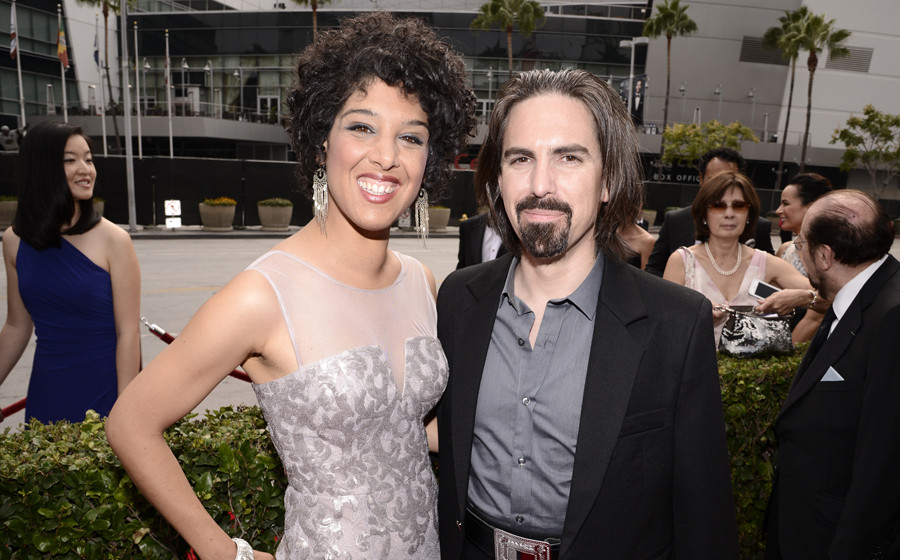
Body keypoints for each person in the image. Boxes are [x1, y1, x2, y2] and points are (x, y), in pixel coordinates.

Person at [106, 12, 476, 560]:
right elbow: (131, 423)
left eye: (412, 137)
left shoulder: (420, 281)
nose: (387, 156)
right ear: (320, 139)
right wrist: (221, 551)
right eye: (361, 126)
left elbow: (400, 427)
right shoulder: (261, 295)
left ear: (431, 159)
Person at [436, 68, 739, 560]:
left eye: (568, 157)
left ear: (607, 181)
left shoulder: (675, 324)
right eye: (520, 159)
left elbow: (705, 517)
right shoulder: (458, 301)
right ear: (496, 178)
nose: (540, 185)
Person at [766, 190, 900, 559]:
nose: (800, 251)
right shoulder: (857, 298)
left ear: (824, 255)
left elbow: (883, 463)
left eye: (801, 243)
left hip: (834, 538)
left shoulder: (891, 317)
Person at [0, 121, 141, 424]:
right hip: (47, 390)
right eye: (70, 159)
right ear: (42, 168)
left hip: (106, 392)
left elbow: (128, 333)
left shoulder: (114, 240)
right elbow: (16, 325)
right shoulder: (14, 241)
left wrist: (128, 412)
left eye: (89, 159)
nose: (85, 169)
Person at [662, 171, 820, 345]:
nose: (729, 213)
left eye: (738, 206)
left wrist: (803, 297)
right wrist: (697, 315)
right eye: (718, 205)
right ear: (704, 214)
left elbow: (831, 297)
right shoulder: (682, 261)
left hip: (753, 371)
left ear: (748, 214)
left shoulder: (766, 263)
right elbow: (665, 323)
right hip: (691, 368)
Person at [645, 147, 774, 277]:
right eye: (714, 180)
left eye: (728, 179)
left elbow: (771, 279)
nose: (721, 187)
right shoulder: (675, 221)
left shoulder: (760, 227)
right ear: (701, 179)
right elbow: (654, 270)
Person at [770, 172, 834, 342]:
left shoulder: (829, 255)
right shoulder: (785, 251)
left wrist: (785, 363)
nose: (778, 211)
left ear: (811, 207)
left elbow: (815, 318)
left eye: (785, 204)